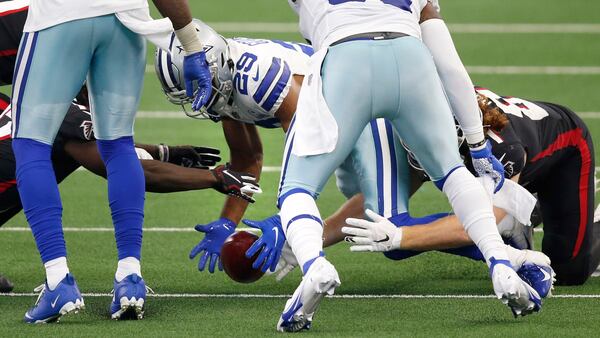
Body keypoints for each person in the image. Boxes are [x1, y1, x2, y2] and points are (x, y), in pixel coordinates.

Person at [10, 0, 212, 323]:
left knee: (30, 144)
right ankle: (130, 278)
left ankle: (57, 279)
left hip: (62, 16)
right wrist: (192, 45)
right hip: (125, 18)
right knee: (119, 145)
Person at [0, 92, 260, 290]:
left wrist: (162, 152)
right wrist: (214, 178)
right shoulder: (69, 119)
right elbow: (131, 171)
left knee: (34, 163)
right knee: (51, 161)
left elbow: (106, 149)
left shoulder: (27, 98)